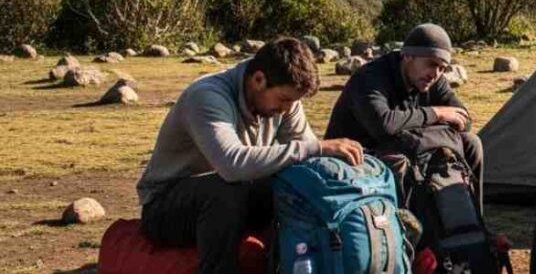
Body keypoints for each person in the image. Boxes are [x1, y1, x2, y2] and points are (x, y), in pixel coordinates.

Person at [136, 38, 364, 274]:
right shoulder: (207, 96)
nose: (287, 109)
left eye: (293, 102)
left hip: (236, 195)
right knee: (226, 189)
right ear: (258, 80)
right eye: (284, 99)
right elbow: (232, 165)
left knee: (299, 180)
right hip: (166, 208)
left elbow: (304, 155)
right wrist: (315, 147)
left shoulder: (284, 99)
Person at [325, 23, 483, 203]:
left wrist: (424, 123)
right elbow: (383, 125)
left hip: (401, 145)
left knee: (471, 142)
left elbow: (463, 119)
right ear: (408, 56)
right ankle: (398, 228)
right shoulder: (370, 78)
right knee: (399, 157)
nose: (436, 73)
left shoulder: (433, 80)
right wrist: (435, 114)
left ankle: (473, 223)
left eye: (442, 68)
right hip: (356, 156)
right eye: (431, 64)